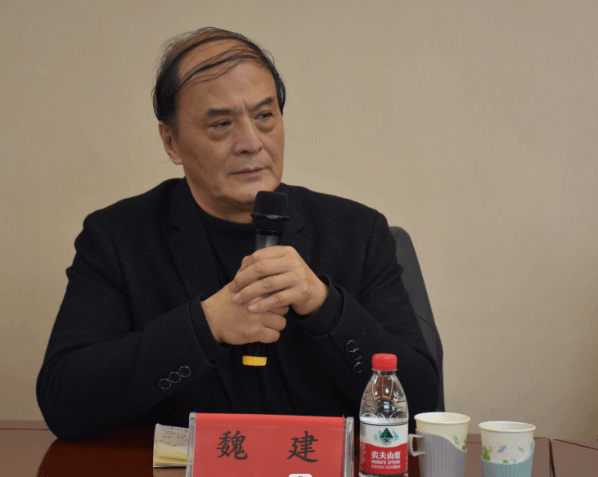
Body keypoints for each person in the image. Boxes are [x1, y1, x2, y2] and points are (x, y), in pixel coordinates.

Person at [37, 27, 440, 441]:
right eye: (221, 124)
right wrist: (204, 326)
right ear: (171, 142)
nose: (250, 142)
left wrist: (324, 305)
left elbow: (424, 408)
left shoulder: (358, 233)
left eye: (265, 117)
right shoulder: (117, 238)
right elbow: (65, 403)